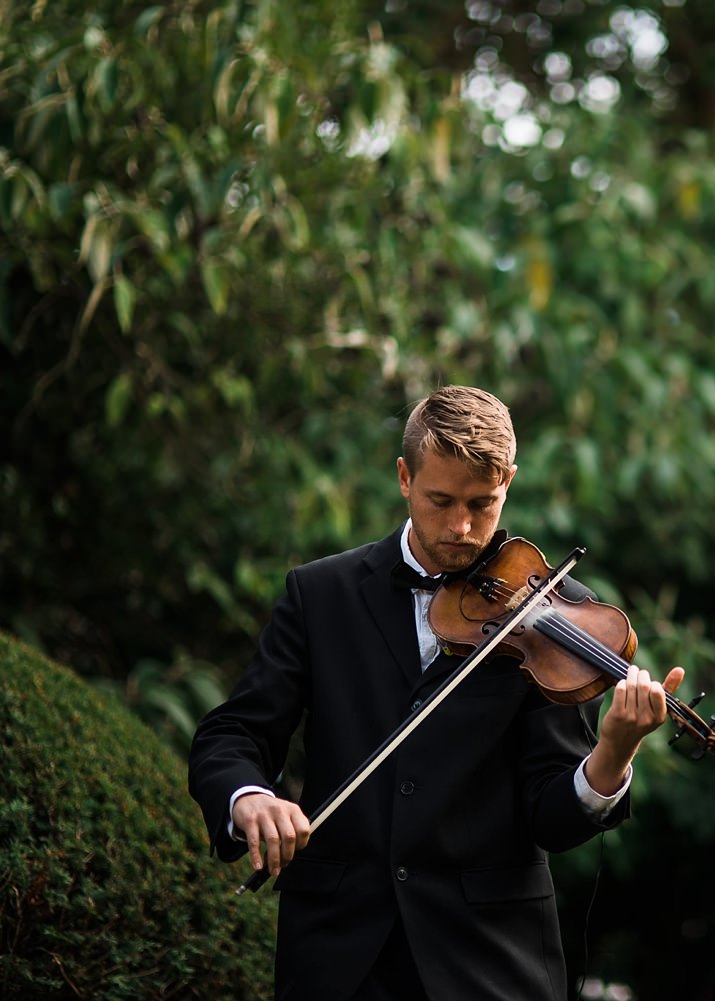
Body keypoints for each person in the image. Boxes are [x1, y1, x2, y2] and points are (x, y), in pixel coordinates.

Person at [188, 385, 685, 1001]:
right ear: (403, 478)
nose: (460, 527)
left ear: (509, 483)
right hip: (341, 960)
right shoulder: (321, 595)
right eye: (440, 500)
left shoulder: (560, 620)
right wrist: (249, 798)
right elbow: (232, 733)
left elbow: (549, 818)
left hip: (490, 963)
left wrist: (613, 754)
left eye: (483, 504)